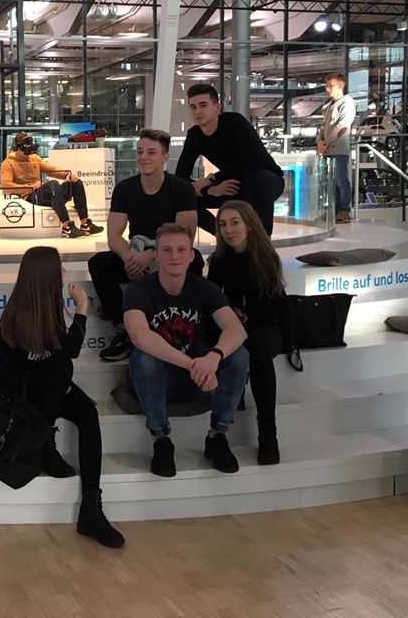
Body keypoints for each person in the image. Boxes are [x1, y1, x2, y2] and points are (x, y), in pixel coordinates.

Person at [0, 246, 124, 548]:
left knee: (87, 412)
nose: (64, 273)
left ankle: (91, 506)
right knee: (61, 369)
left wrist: (59, 380)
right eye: (59, 268)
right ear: (45, 276)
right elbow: (66, 353)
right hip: (23, 399)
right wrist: (82, 308)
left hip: (50, 392)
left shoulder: (47, 307)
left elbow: (58, 356)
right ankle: (45, 442)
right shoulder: (16, 314)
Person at [123, 223, 249, 477]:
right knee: (144, 357)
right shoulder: (139, 290)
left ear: (191, 256)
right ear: (156, 255)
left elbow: (237, 330)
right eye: (167, 250)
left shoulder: (204, 288)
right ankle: (161, 439)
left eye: (181, 250)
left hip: (196, 378)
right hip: (159, 379)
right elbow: (140, 336)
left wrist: (214, 357)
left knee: (239, 355)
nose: (174, 256)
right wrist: (194, 365)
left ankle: (217, 436)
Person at [88, 128, 202, 363]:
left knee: (195, 260)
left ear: (164, 158)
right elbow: (114, 235)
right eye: (140, 152)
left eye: (151, 152)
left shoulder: (181, 189)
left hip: (167, 255)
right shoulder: (125, 189)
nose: (143, 157)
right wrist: (129, 259)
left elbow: (185, 236)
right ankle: (124, 330)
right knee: (99, 263)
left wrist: (151, 255)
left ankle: (188, 327)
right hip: (136, 254)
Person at [207, 201, 285, 465]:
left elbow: (270, 308)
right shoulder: (218, 262)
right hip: (235, 326)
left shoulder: (266, 258)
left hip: (265, 326)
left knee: (258, 351)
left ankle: (268, 432)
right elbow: (213, 301)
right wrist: (231, 316)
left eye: (235, 223)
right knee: (230, 344)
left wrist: (240, 320)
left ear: (249, 225)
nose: (228, 230)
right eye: (223, 224)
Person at [175, 84, 286, 236]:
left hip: (267, 181)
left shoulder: (234, 122)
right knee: (182, 197)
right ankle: (224, 235)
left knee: (259, 179)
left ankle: (261, 241)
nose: (198, 111)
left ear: (217, 107)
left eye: (203, 105)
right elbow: (181, 177)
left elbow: (254, 161)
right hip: (230, 185)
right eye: (193, 107)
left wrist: (212, 179)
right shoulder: (194, 135)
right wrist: (210, 190)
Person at [0, 131, 104, 238]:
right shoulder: (8, 164)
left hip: (42, 193)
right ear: (18, 147)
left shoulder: (33, 158)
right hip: (30, 197)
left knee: (76, 183)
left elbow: (51, 170)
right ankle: (67, 227)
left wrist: (67, 174)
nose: (29, 151)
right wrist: (30, 187)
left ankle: (85, 224)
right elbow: (5, 186)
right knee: (53, 184)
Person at [317, 73, 358, 223]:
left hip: (338, 149)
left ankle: (344, 211)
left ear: (341, 85)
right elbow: (323, 127)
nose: (328, 89)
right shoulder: (329, 105)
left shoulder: (347, 103)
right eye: (326, 86)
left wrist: (325, 142)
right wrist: (319, 141)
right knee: (331, 183)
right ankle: (333, 211)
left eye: (330, 86)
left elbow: (342, 126)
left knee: (341, 181)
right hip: (328, 150)